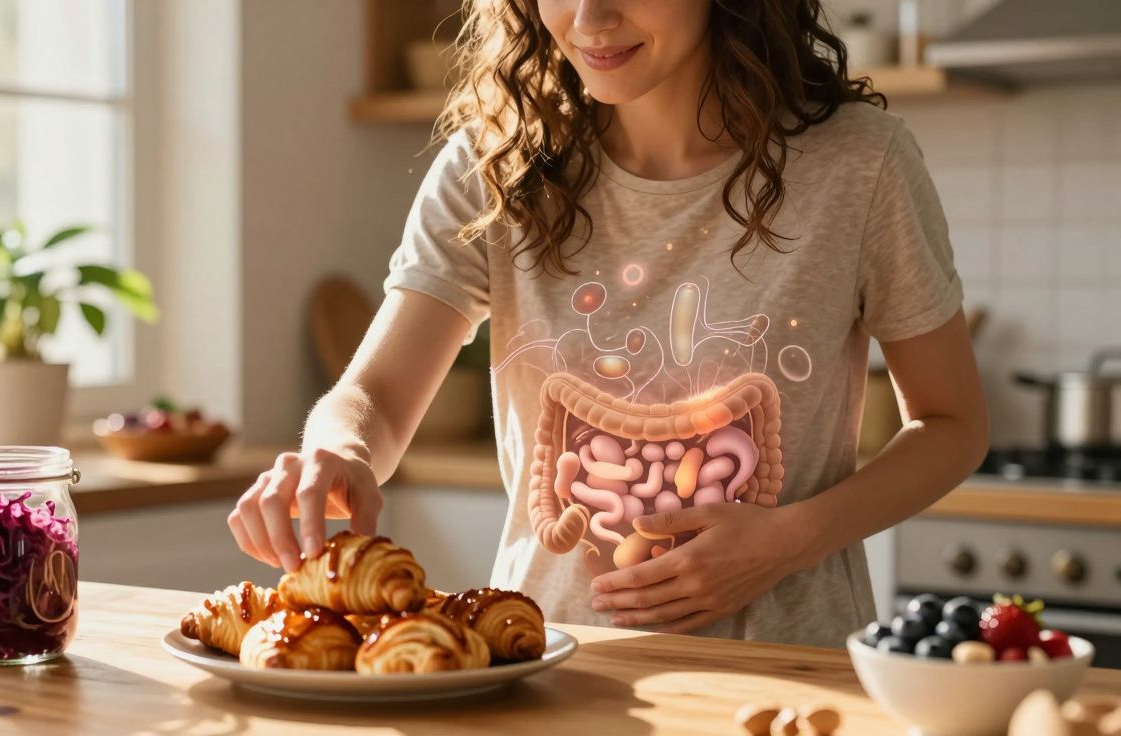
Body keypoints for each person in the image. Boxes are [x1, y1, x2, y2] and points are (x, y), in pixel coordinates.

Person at [228, 0, 988, 648]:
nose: (589, 17)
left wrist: (790, 541)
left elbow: (952, 424)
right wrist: (338, 453)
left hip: (783, 680)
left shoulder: (860, 163)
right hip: (546, 666)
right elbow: (376, 396)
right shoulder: (493, 165)